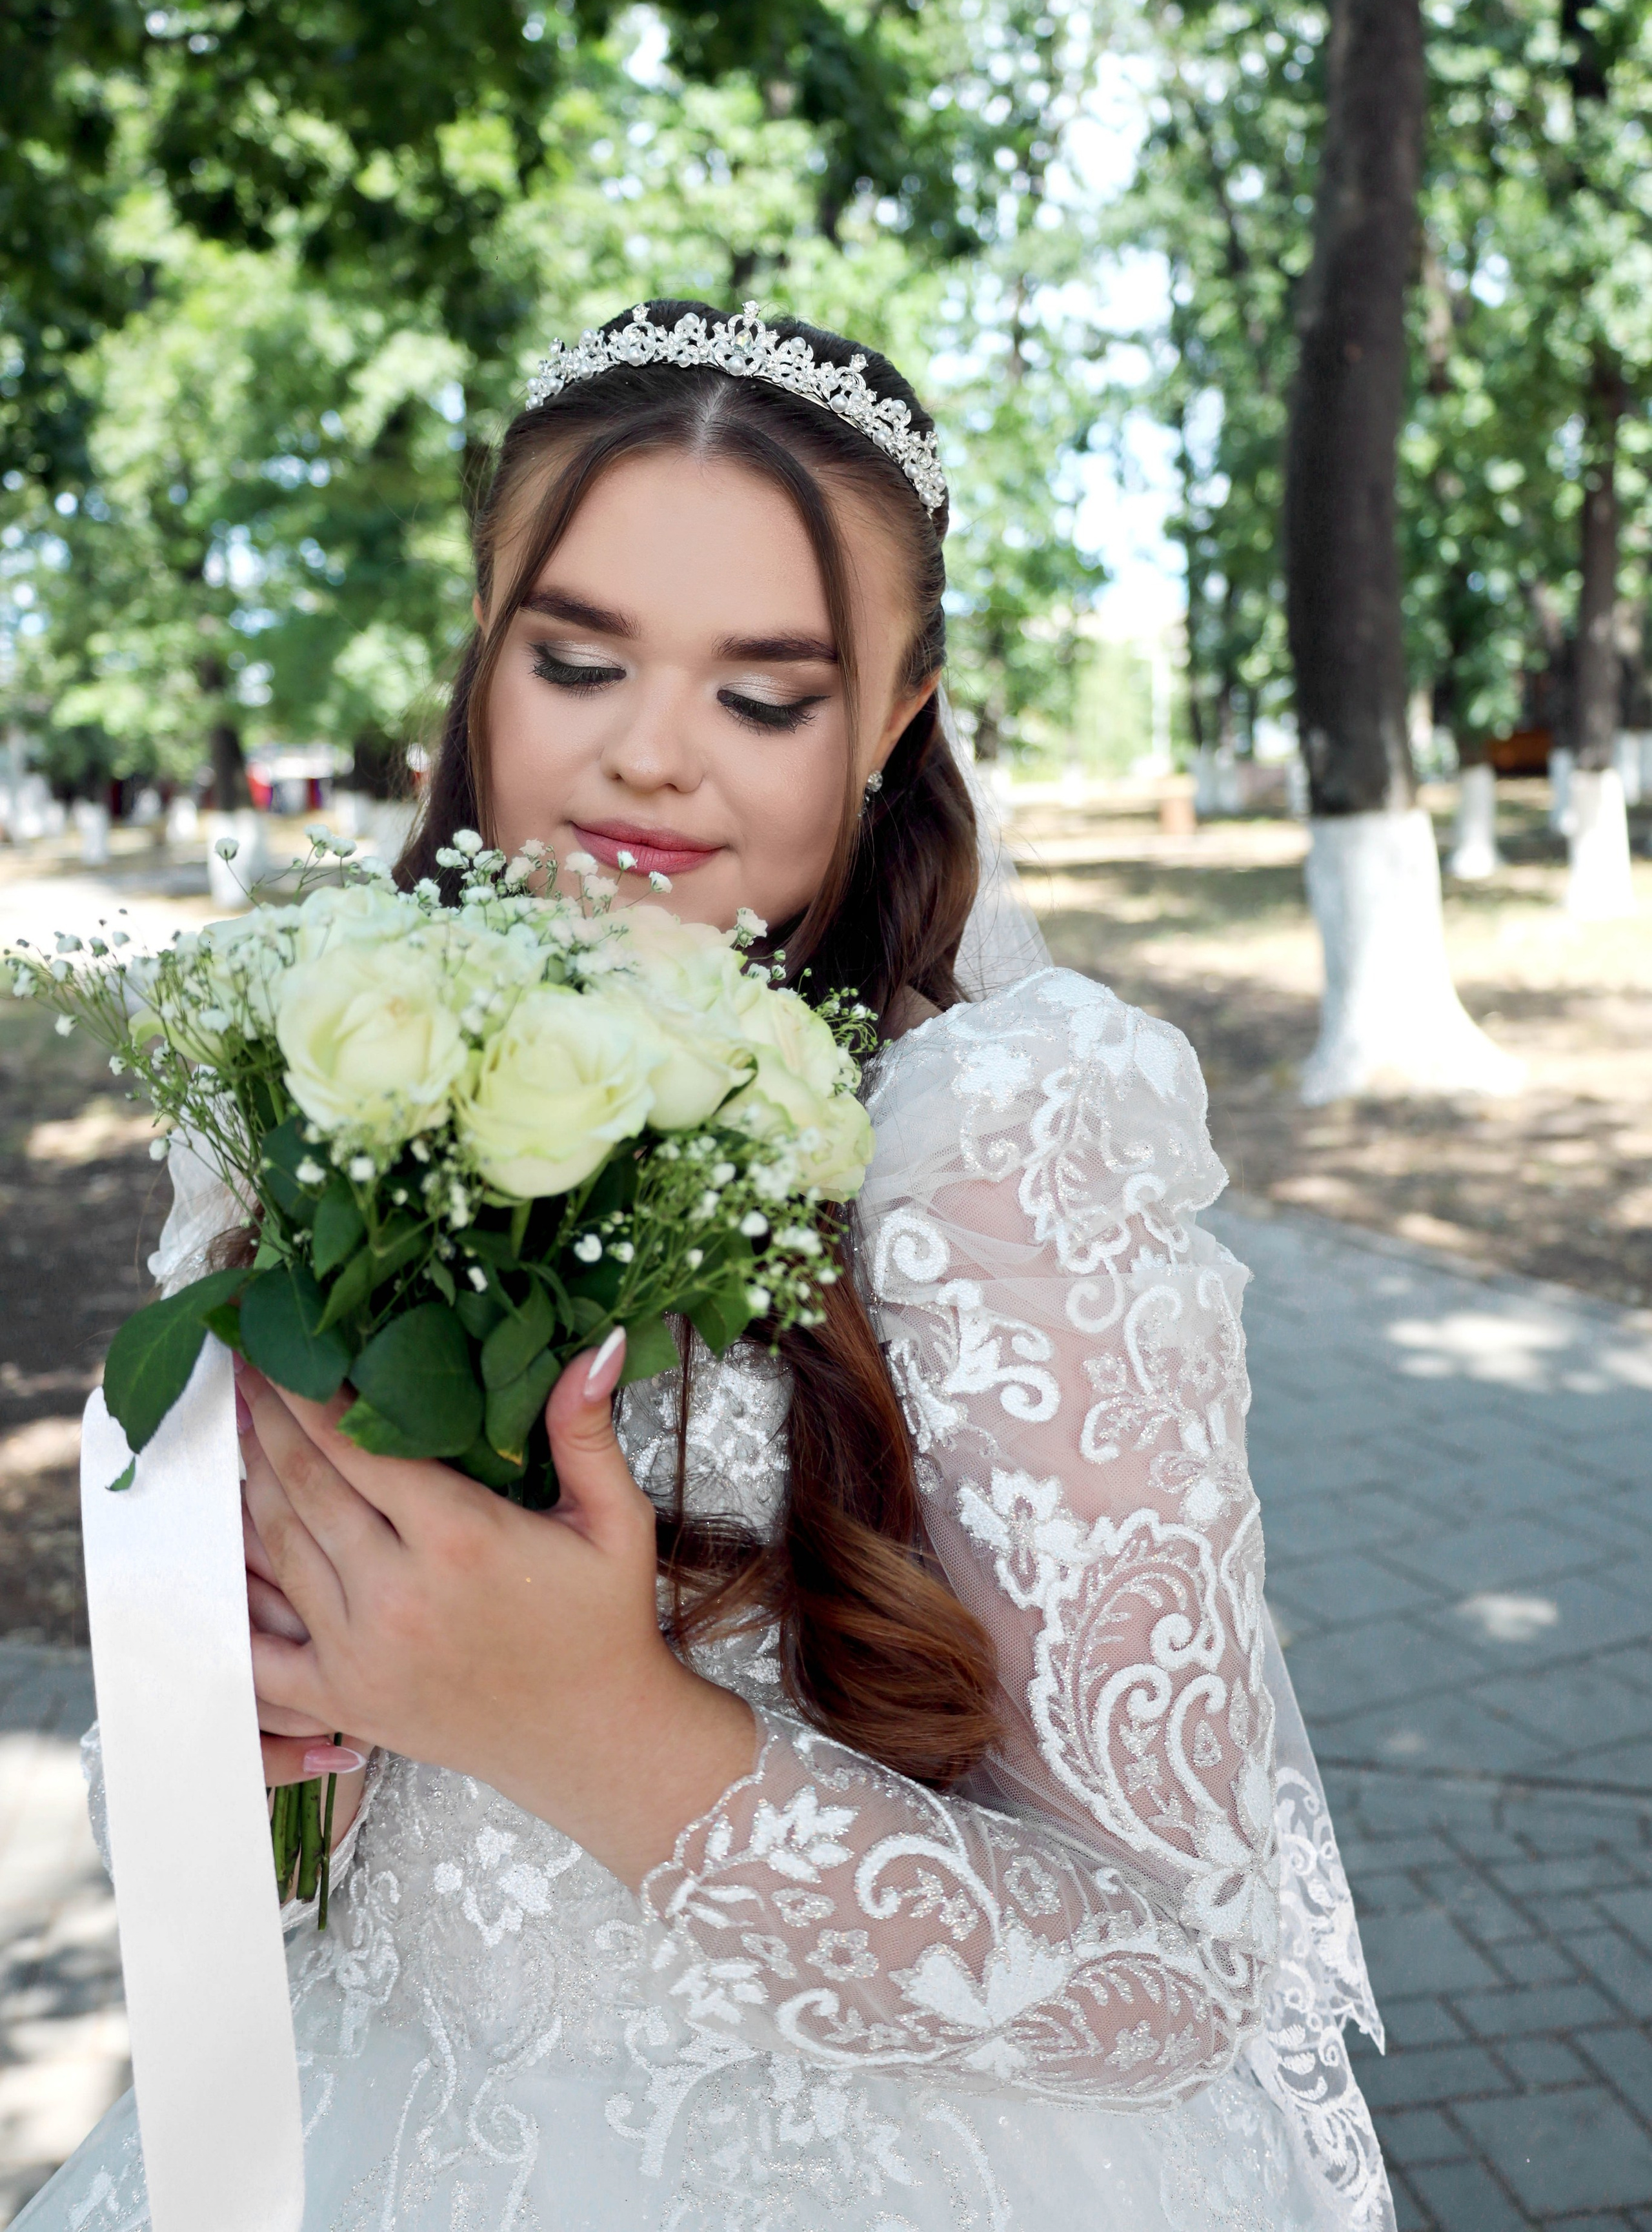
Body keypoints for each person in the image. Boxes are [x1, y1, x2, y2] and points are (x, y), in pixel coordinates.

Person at [24, 301, 1393, 2232]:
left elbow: (1179, 1979)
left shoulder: (996, 1128)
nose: (653, 757)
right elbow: (199, 1837)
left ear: (898, 718)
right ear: (481, 658)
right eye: (576, 658)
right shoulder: (308, 1089)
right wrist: (246, 1743)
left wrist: (595, 1729)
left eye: (767, 694)